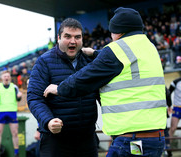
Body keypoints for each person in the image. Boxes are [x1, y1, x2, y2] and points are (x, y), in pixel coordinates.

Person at [44, 7, 167, 157]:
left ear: (118, 31)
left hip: (133, 141)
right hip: (156, 138)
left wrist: (59, 88)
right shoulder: (149, 47)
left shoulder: (116, 50)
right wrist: (96, 53)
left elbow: (85, 78)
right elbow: (125, 60)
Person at [27, 18, 99, 157]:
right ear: (59, 38)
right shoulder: (44, 62)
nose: (73, 41)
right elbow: (34, 97)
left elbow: (115, 59)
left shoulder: (90, 61)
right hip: (55, 140)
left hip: (86, 139)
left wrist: (96, 53)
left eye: (77, 37)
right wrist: (48, 121)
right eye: (67, 36)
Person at [0, 70, 22, 157]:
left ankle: (16, 152)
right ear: (2, 77)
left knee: (15, 133)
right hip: (1, 112)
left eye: (8, 76)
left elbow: (18, 99)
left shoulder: (14, 87)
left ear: (10, 77)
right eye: (4, 76)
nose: (6, 78)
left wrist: (19, 97)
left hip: (12, 112)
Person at [168, 78, 181, 146]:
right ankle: (168, 147)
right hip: (177, 108)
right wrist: (169, 105)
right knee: (173, 128)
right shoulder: (176, 82)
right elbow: (168, 93)